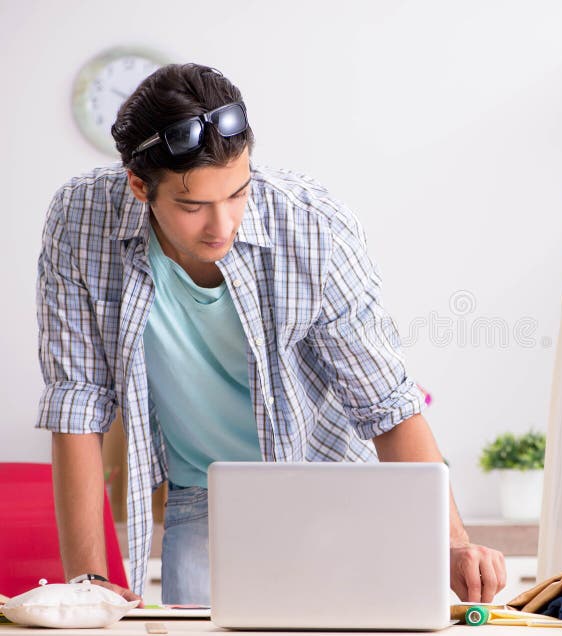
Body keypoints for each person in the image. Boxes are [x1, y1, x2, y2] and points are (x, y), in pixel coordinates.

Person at [36, 63, 506, 605]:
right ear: (140, 187)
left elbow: (385, 401)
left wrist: (450, 543)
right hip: (202, 501)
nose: (223, 226)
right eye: (193, 206)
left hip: (332, 490)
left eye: (238, 193)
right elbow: (78, 403)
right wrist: (90, 587)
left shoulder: (311, 225)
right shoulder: (79, 220)